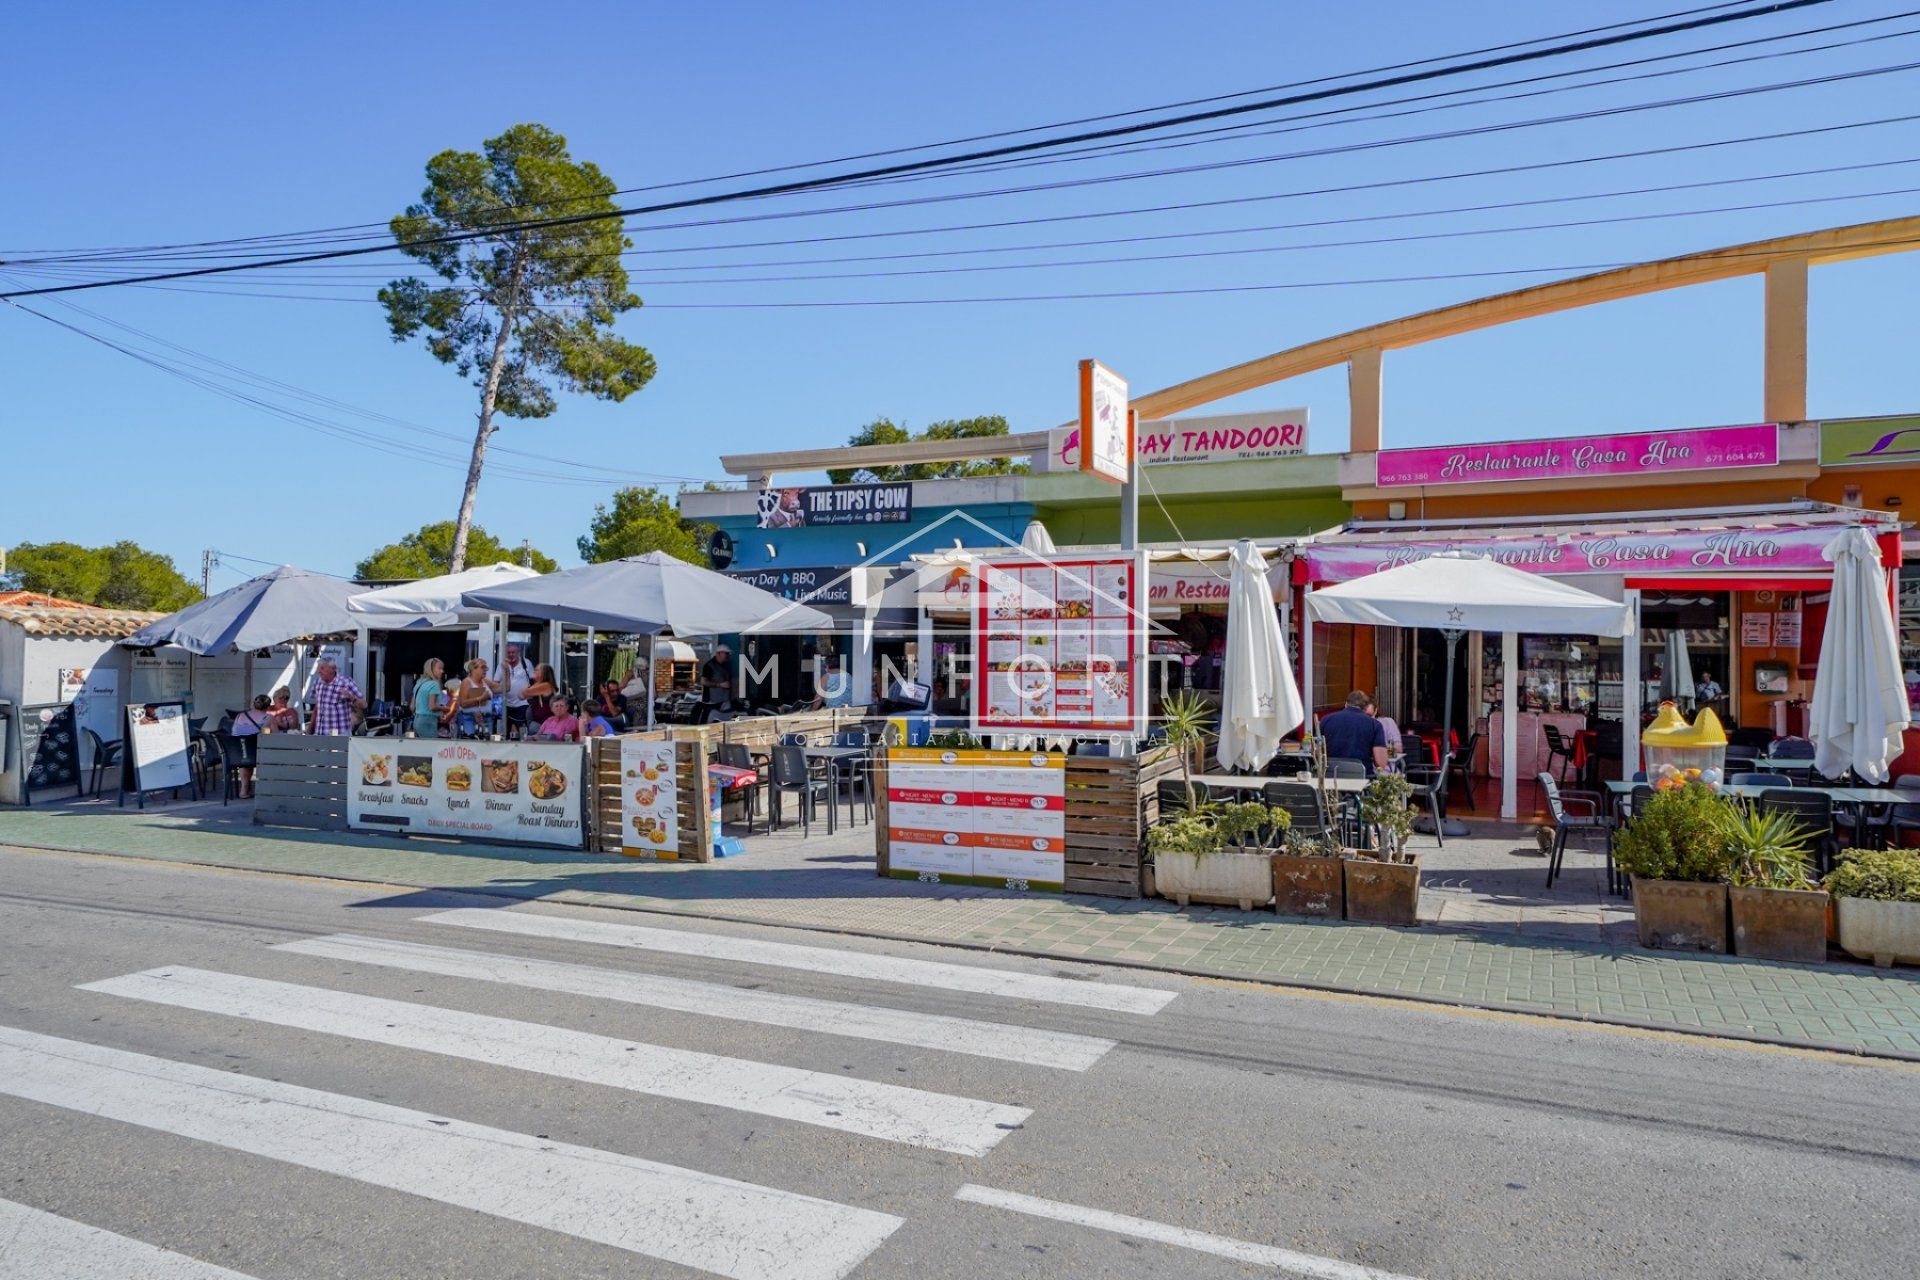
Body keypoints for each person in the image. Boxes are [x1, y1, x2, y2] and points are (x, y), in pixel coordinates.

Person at [1320, 690, 1389, 777]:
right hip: (1362, 777)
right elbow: (1381, 763)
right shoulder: (1374, 725)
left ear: (1346, 704)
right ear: (1365, 708)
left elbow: (1317, 751)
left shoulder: (1325, 720)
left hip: (1331, 776)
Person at [308, 659, 366, 737]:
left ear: (333, 669)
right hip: (320, 732)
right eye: (318, 668)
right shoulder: (317, 683)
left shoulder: (346, 682)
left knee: (334, 742)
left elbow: (364, 705)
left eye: (322, 668)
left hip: (337, 732)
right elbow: (317, 708)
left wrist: (351, 697)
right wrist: (310, 730)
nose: (319, 671)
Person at [229, 694, 271, 797]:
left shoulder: (239, 716)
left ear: (253, 704)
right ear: (268, 707)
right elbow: (266, 737)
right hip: (255, 755)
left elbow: (234, 732)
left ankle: (244, 790)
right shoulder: (267, 718)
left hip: (236, 754)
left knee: (245, 754)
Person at [495, 643, 535, 739]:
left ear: (518, 652)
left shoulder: (526, 663)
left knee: (521, 731)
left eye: (513, 652)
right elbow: (495, 682)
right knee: (505, 732)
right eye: (508, 652)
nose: (511, 654)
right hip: (506, 704)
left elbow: (534, 680)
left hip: (523, 703)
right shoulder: (502, 665)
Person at [450, 658, 497, 737]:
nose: (485, 670)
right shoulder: (466, 682)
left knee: (487, 742)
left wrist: (507, 671)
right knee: (470, 740)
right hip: (469, 718)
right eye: (483, 667)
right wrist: (481, 698)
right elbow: (463, 703)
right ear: (473, 669)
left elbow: (504, 688)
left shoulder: (485, 681)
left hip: (486, 717)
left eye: (486, 667)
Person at [411, 658, 447, 738]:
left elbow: (412, 707)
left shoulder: (419, 683)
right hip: (428, 721)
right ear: (431, 669)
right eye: (439, 668)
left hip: (417, 720)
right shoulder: (434, 684)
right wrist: (444, 708)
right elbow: (432, 706)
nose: (442, 671)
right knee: (432, 745)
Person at [523, 663, 560, 731]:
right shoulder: (539, 685)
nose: (534, 672)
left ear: (544, 673)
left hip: (541, 722)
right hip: (536, 720)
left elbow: (525, 693)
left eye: (537, 670)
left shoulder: (546, 686)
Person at [701, 644, 735, 713]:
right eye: (726, 653)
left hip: (724, 702)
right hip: (711, 702)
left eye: (728, 654)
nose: (728, 656)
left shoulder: (726, 665)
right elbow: (703, 682)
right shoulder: (709, 666)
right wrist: (719, 685)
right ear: (719, 653)